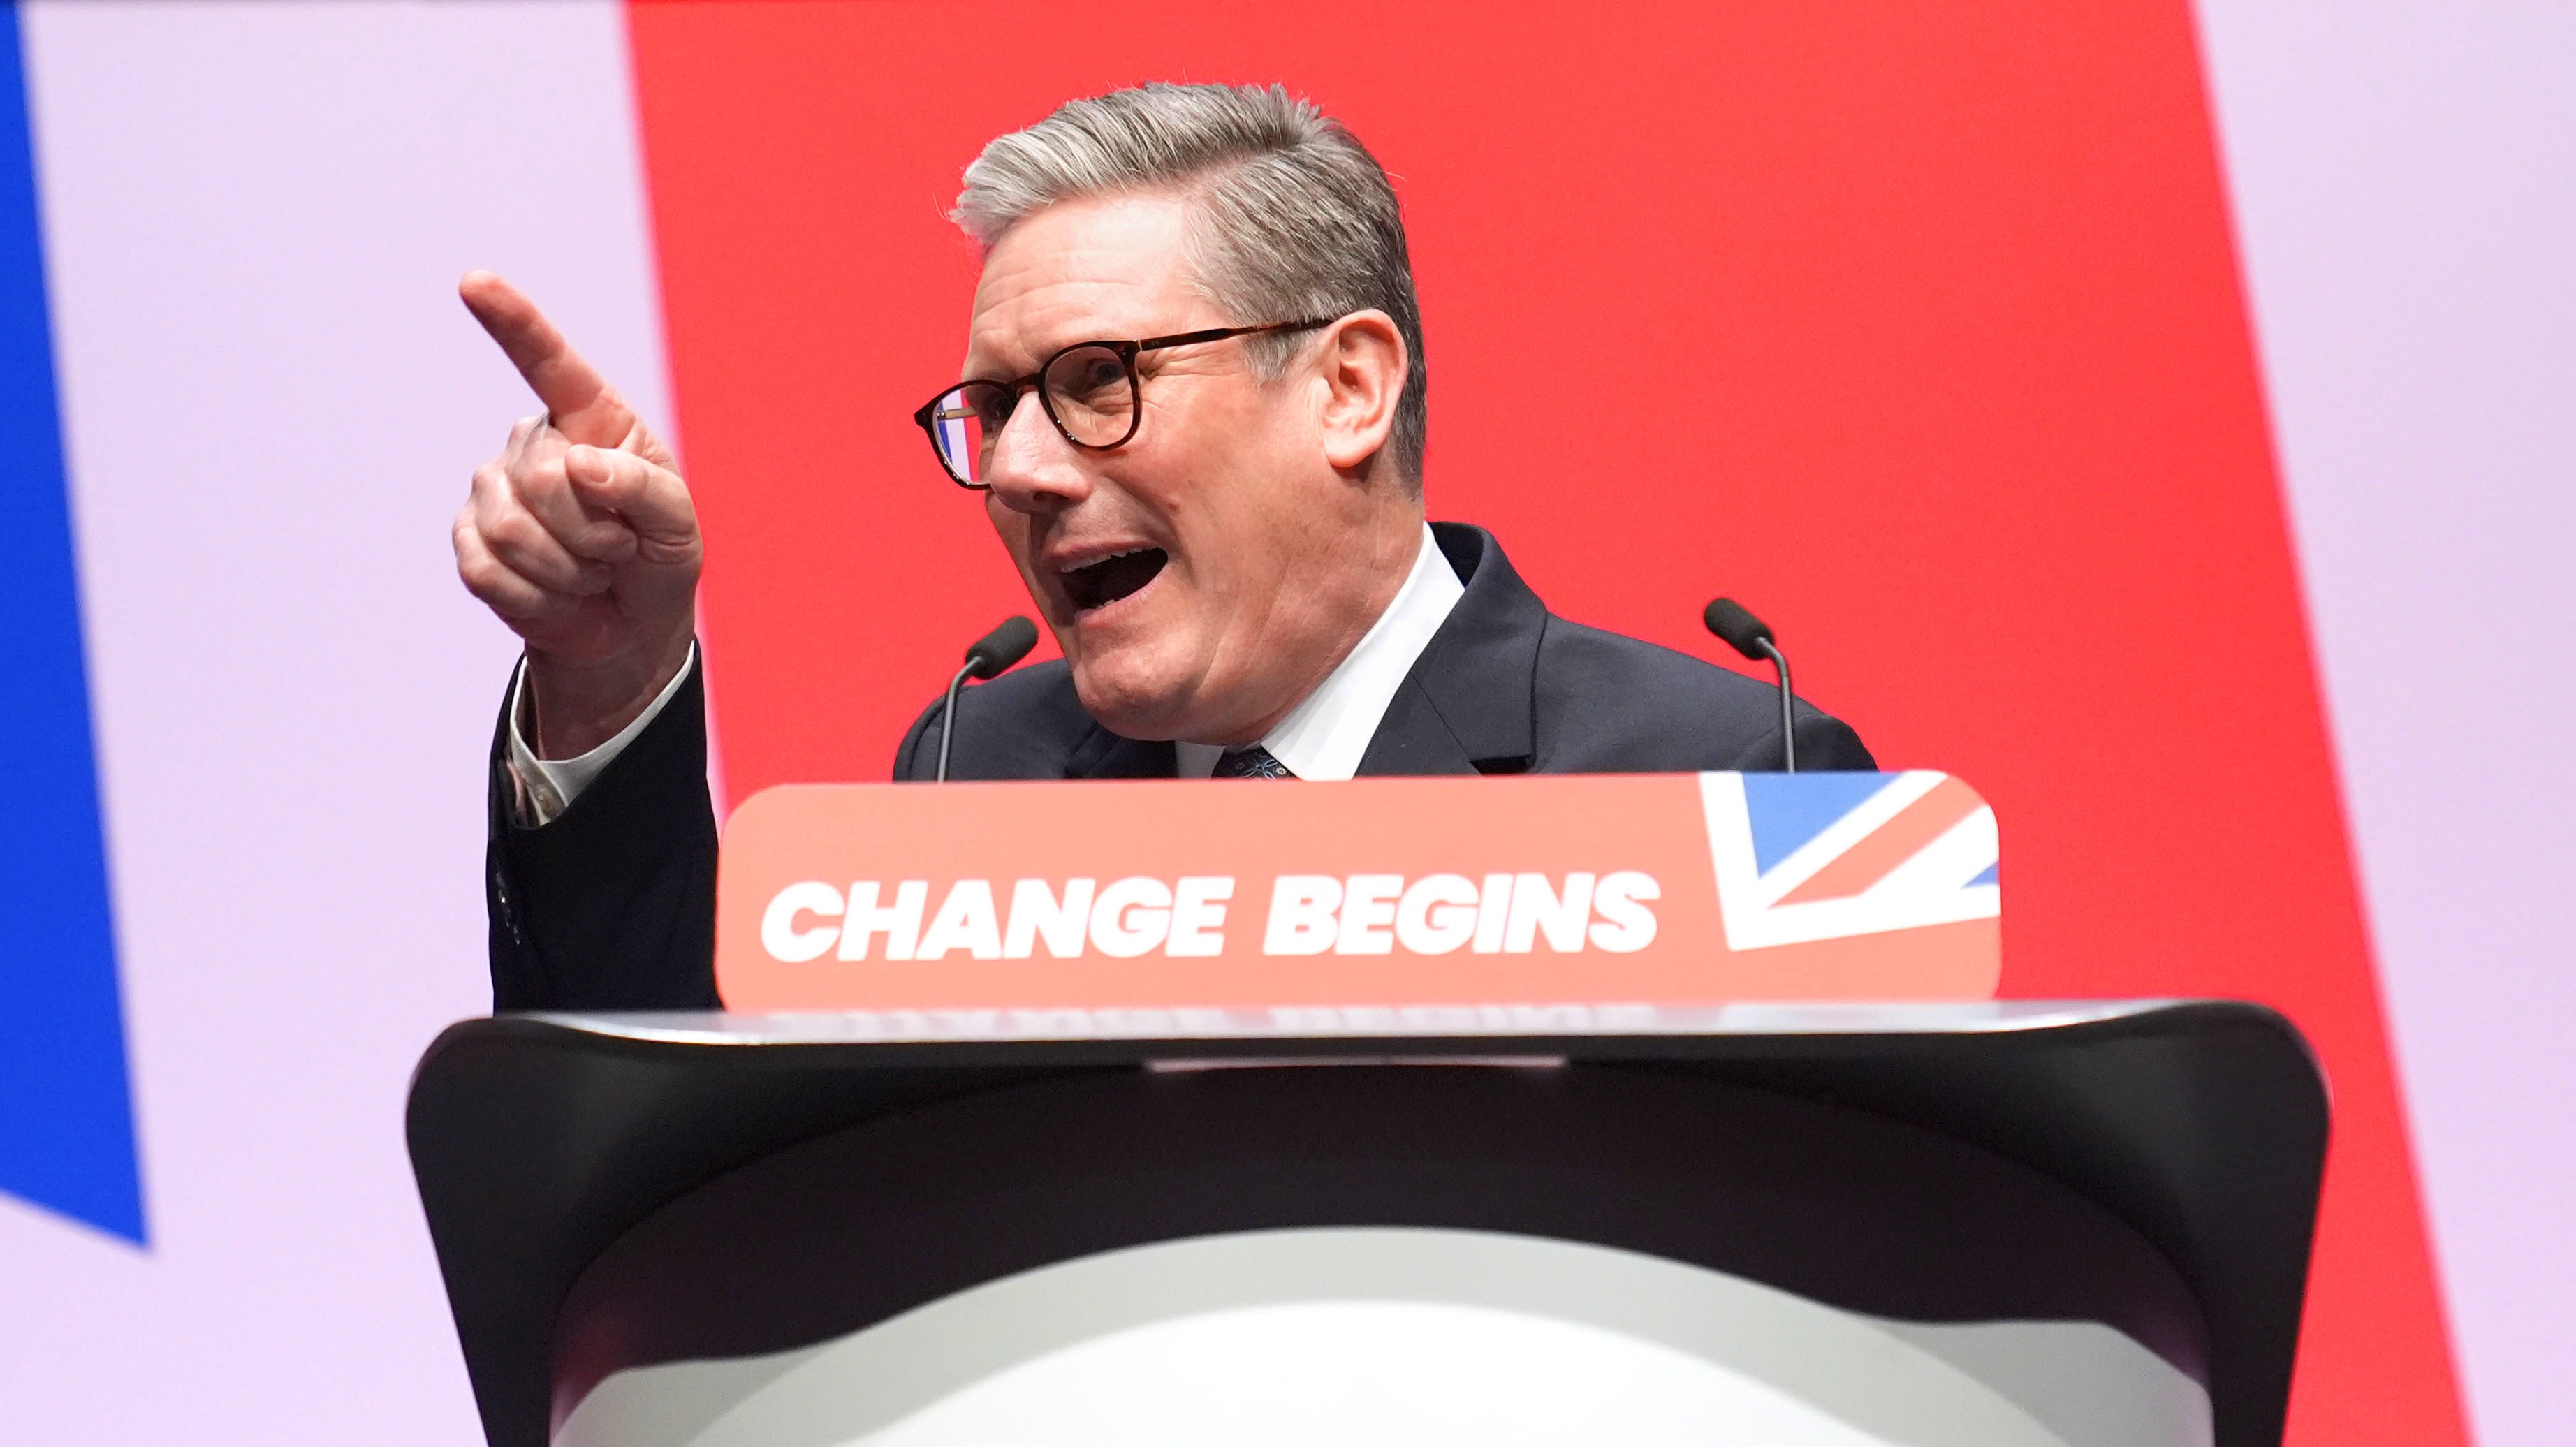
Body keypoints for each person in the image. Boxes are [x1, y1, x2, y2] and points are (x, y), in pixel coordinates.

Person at [454, 80, 1872, 1015]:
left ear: (1345, 387)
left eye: (1094, 382)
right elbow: (697, 1183)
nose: (1013, 468)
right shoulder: (972, 786)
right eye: (993, 408)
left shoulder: (1732, 790)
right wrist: (614, 671)